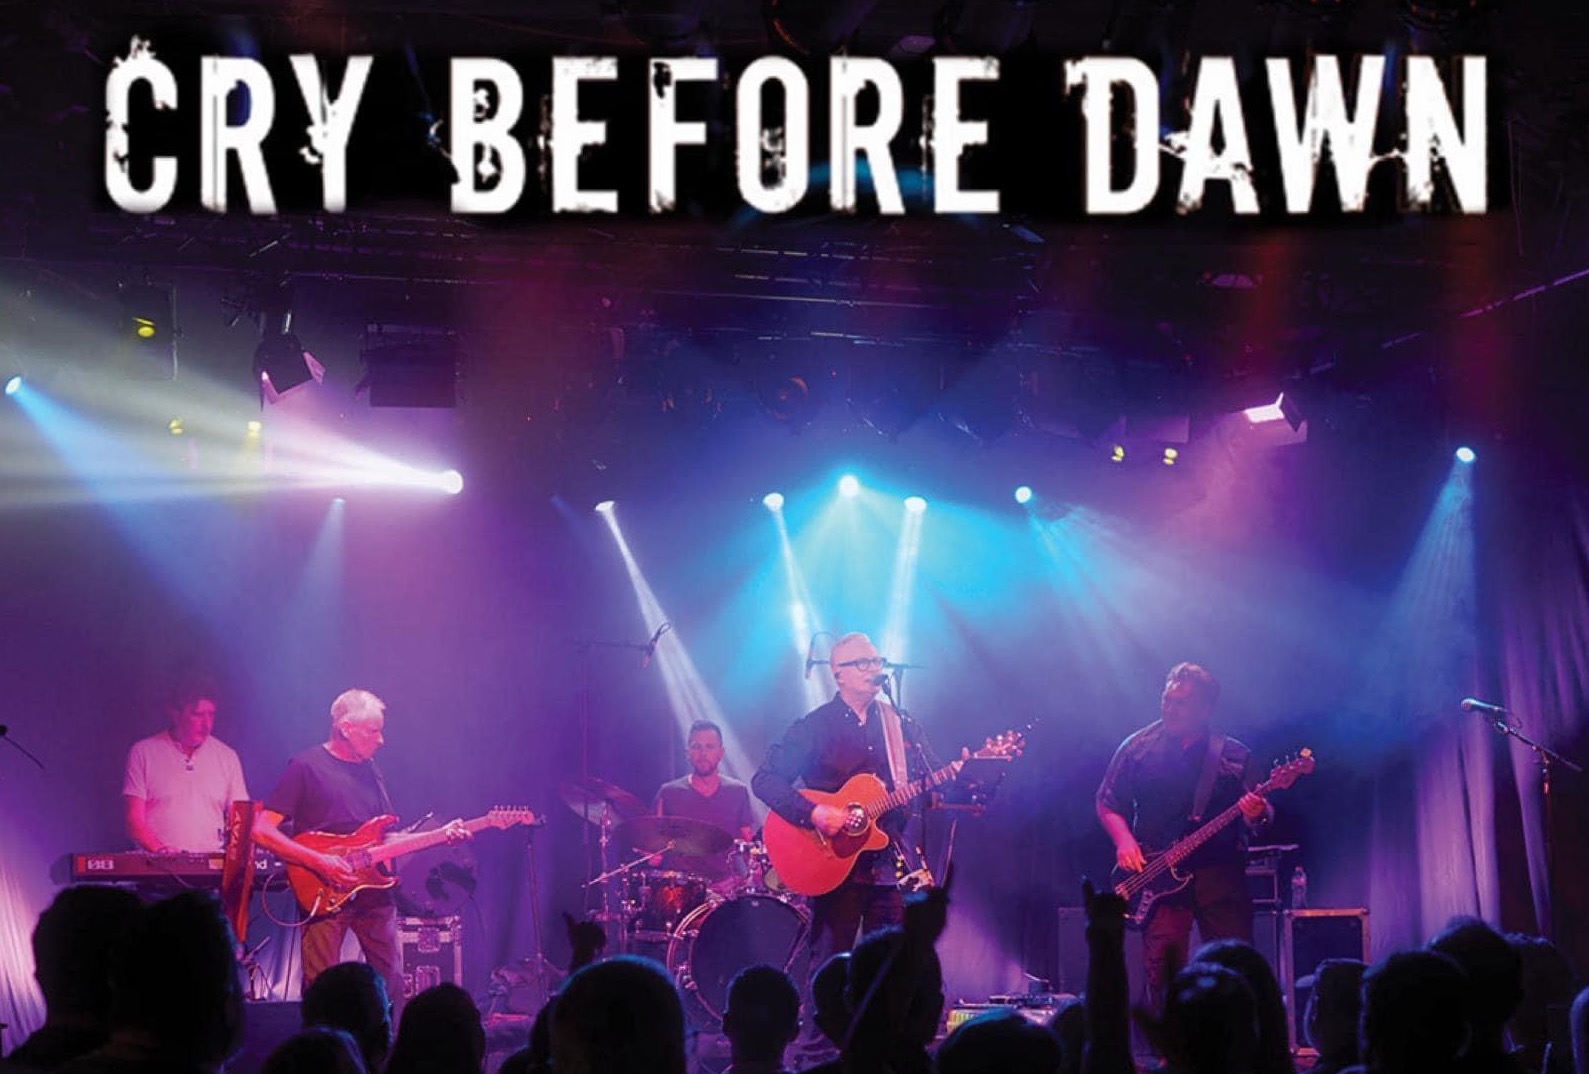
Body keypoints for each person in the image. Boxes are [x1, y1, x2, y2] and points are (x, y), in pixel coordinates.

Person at [752, 631, 941, 1063]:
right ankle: (817, 1054)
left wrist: (956, 776)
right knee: (831, 958)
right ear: (838, 674)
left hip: (887, 859)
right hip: (833, 859)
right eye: (864, 663)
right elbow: (765, 779)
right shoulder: (814, 726)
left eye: (877, 661)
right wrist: (815, 813)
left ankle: (888, 1050)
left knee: (891, 958)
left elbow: (922, 783)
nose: (875, 669)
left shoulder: (899, 723)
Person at [251, 688, 467, 1005]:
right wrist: (320, 862)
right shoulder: (305, 766)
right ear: (346, 728)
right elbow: (260, 830)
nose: (381, 740)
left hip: (373, 890)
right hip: (325, 891)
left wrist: (441, 835)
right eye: (373, 731)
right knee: (322, 985)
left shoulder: (371, 771)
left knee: (391, 979)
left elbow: (382, 841)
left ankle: (387, 1047)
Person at [1095, 662, 1272, 1009]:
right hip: (1159, 877)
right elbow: (1106, 801)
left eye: (1181, 703)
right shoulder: (1138, 747)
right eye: (1166, 700)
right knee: (1163, 971)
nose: (1170, 709)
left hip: (1219, 876)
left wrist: (1257, 813)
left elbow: (1263, 813)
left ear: (1206, 709)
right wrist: (1124, 841)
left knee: (1233, 968)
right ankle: (1171, 1052)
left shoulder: (1234, 756)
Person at [122, 678, 248, 853]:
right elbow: (134, 819)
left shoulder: (227, 757)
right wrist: (161, 850)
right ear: (175, 713)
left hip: (212, 870)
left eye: (211, 715)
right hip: (157, 866)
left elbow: (240, 818)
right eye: (197, 714)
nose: (206, 724)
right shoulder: (143, 752)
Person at [652, 719, 754, 883]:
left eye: (709, 747)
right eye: (696, 746)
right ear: (688, 753)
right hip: (682, 887)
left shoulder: (738, 791)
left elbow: (747, 841)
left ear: (721, 753)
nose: (703, 753)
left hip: (726, 887)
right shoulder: (668, 792)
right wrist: (652, 855)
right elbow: (653, 839)